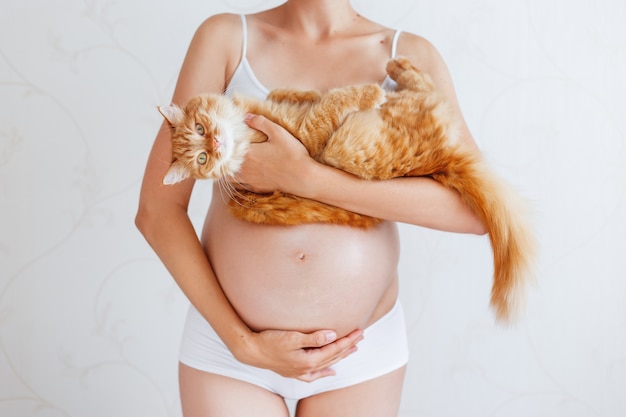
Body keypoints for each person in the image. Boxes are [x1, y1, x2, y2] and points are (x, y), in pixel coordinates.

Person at [135, 1, 486, 416]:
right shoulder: (226, 40)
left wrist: (306, 177)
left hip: (359, 357)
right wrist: (242, 344)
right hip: (229, 355)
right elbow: (157, 212)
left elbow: (475, 210)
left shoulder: (406, 54)